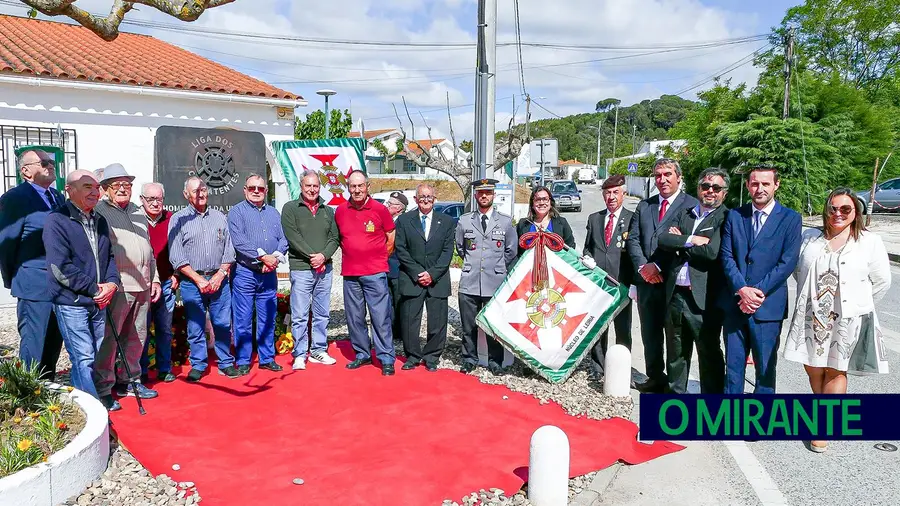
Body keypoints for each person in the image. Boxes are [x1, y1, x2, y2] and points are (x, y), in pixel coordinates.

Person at [783, 188, 891, 452]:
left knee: (835, 368)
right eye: (833, 208)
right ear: (826, 209)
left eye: (846, 209)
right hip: (811, 315)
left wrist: (858, 305)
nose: (838, 214)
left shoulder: (869, 241)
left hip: (847, 318)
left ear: (856, 213)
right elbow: (798, 271)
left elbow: (882, 281)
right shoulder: (810, 237)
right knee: (812, 367)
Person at [720, 165, 801, 395]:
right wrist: (741, 289)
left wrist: (756, 293)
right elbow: (727, 257)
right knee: (733, 369)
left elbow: (787, 262)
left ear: (776, 184)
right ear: (747, 185)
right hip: (736, 304)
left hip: (768, 307)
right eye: (755, 183)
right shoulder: (735, 216)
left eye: (765, 183)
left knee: (765, 370)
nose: (760, 188)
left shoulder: (791, 219)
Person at [43, 170, 120, 410]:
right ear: (70, 190)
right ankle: (94, 412)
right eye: (87, 187)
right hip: (72, 302)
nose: (95, 192)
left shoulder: (99, 220)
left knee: (94, 355)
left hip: (98, 300)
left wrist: (112, 283)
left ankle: (86, 403)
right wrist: (94, 289)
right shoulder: (56, 220)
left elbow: (108, 257)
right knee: (83, 357)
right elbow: (59, 267)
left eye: (97, 187)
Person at [626, 158, 698, 393]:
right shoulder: (644, 206)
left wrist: (657, 266)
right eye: (658, 175)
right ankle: (655, 377)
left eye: (667, 174)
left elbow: (686, 245)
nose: (662, 179)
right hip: (646, 282)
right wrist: (643, 269)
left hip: (673, 284)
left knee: (676, 339)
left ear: (678, 176)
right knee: (650, 334)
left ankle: (676, 386)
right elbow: (634, 240)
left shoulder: (692, 206)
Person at [656, 168, 729, 394]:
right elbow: (663, 239)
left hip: (703, 298)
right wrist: (692, 239)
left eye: (716, 188)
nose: (710, 191)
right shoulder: (685, 213)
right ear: (698, 188)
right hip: (676, 294)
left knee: (708, 354)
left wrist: (680, 245)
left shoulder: (725, 217)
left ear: (724, 192)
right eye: (705, 186)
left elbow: (712, 252)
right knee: (676, 354)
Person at [93, 163, 160, 401]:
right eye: (117, 185)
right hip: (119, 286)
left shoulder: (137, 211)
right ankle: (103, 388)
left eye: (127, 185)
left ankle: (130, 382)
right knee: (110, 339)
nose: (123, 189)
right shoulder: (99, 212)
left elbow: (148, 250)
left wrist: (155, 279)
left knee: (137, 337)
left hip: (143, 285)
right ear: (105, 189)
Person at [0, 149, 65, 380]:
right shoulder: (15, 198)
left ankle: (47, 392)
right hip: (33, 284)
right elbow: (7, 244)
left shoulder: (57, 197)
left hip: (59, 285)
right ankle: (29, 395)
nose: (50, 165)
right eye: (43, 162)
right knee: (33, 345)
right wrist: (13, 278)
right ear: (25, 171)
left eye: (52, 162)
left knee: (53, 344)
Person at [168, 176, 239, 382]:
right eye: (195, 191)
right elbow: (176, 255)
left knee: (222, 323)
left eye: (203, 189)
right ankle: (199, 364)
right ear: (186, 195)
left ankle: (225, 362)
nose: (201, 194)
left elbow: (229, 250)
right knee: (195, 326)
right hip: (192, 282)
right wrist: (198, 279)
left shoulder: (219, 217)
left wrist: (220, 274)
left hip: (219, 280)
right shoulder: (178, 219)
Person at [334, 170, 397, 376]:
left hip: (375, 273)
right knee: (355, 317)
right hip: (351, 274)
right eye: (353, 186)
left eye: (360, 186)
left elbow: (391, 235)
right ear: (348, 188)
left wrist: (379, 258)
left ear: (368, 187)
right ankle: (362, 354)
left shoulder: (380, 209)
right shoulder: (341, 211)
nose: (357, 190)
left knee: (380, 317)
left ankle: (386, 357)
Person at [228, 174, 289, 375]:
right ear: (245, 189)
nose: (256, 191)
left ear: (266, 190)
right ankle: (244, 359)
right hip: (245, 272)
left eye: (260, 188)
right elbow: (239, 241)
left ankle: (267, 358)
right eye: (252, 187)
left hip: (269, 274)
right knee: (243, 319)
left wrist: (276, 257)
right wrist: (263, 257)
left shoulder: (274, 213)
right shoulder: (236, 212)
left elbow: (283, 238)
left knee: (267, 318)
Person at [456, 178, 518, 374]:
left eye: (488, 193)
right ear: (475, 195)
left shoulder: (506, 221)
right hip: (470, 280)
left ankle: (495, 361)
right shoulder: (465, 220)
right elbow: (460, 248)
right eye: (481, 193)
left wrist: (497, 266)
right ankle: (469, 359)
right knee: (468, 325)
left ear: (494, 195)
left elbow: (511, 251)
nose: (484, 196)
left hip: (495, 281)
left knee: (493, 324)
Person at [281, 170, 340, 370]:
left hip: (325, 268)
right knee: (300, 314)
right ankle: (299, 353)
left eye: (315, 186)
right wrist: (313, 257)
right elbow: (293, 236)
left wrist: (323, 256)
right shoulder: (290, 209)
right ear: (301, 186)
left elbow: (335, 238)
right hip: (302, 268)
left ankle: (318, 350)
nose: (312, 189)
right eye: (308, 186)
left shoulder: (328, 210)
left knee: (322, 313)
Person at [394, 183, 456, 371]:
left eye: (429, 197)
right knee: (410, 321)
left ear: (434, 199)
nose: (426, 200)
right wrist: (417, 272)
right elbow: (401, 249)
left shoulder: (446, 221)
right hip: (412, 278)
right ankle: (412, 356)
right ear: (416, 199)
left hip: (437, 279)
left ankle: (432, 356)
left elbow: (447, 252)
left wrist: (432, 273)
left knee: (437, 321)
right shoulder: (405, 220)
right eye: (422, 197)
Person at [582, 174, 634, 381]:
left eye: (615, 193)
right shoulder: (594, 219)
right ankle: (599, 367)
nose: (611, 197)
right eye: (607, 193)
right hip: (599, 285)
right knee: (599, 328)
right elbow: (588, 247)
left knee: (623, 330)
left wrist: (635, 283)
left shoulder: (632, 218)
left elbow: (635, 252)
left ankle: (622, 370)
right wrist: (586, 258)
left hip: (622, 284)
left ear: (623, 194)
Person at [139, 182, 177, 383]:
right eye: (150, 199)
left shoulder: (171, 219)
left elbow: (180, 249)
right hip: (142, 284)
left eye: (159, 199)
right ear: (142, 200)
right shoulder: (135, 220)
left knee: (164, 328)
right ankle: (141, 371)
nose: (155, 203)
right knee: (141, 330)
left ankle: (164, 368)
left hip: (166, 283)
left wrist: (177, 275)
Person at [516, 185, 576, 254]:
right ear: (532, 204)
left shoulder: (562, 223)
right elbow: (517, 251)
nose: (541, 203)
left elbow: (570, 248)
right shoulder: (523, 224)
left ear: (550, 202)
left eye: (545, 199)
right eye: (538, 200)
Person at [385, 191, 409, 342]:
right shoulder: (387, 219)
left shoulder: (404, 222)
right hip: (385, 267)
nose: (387, 206)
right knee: (388, 302)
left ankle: (398, 332)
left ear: (399, 208)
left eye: (390, 204)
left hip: (399, 268)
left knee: (398, 302)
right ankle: (390, 331)